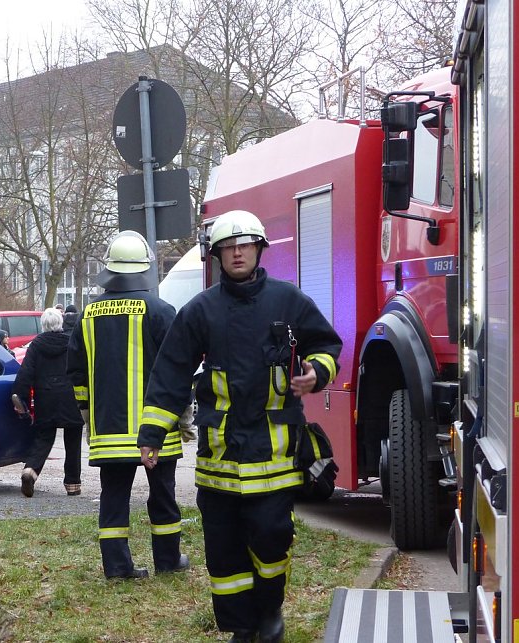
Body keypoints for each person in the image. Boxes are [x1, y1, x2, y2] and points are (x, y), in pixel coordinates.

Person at [137, 210, 342, 643]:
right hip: (221, 459)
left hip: (275, 455)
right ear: (217, 256)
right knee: (224, 553)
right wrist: (152, 434)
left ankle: (269, 612)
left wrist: (316, 372)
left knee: (272, 537)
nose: (236, 252)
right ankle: (241, 627)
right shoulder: (200, 311)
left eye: (244, 245)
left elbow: (326, 344)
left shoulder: (289, 302)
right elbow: (170, 372)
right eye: (228, 247)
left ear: (259, 249)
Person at [67, 230, 190, 580]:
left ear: (110, 269)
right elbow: (177, 369)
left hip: (108, 431)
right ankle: (168, 560)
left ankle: (117, 568)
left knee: (114, 499)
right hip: (156, 430)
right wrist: (183, 416)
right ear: (145, 268)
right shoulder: (161, 310)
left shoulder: (87, 316)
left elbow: (76, 374)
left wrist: (89, 418)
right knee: (163, 495)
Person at [12, 308, 84, 497]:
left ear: (43, 325)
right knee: (73, 441)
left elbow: (26, 373)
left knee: (44, 438)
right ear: (61, 323)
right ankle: (73, 484)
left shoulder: (36, 345)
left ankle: (30, 471)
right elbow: (81, 369)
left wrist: (20, 398)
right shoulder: (71, 343)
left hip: (46, 397)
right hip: (70, 397)